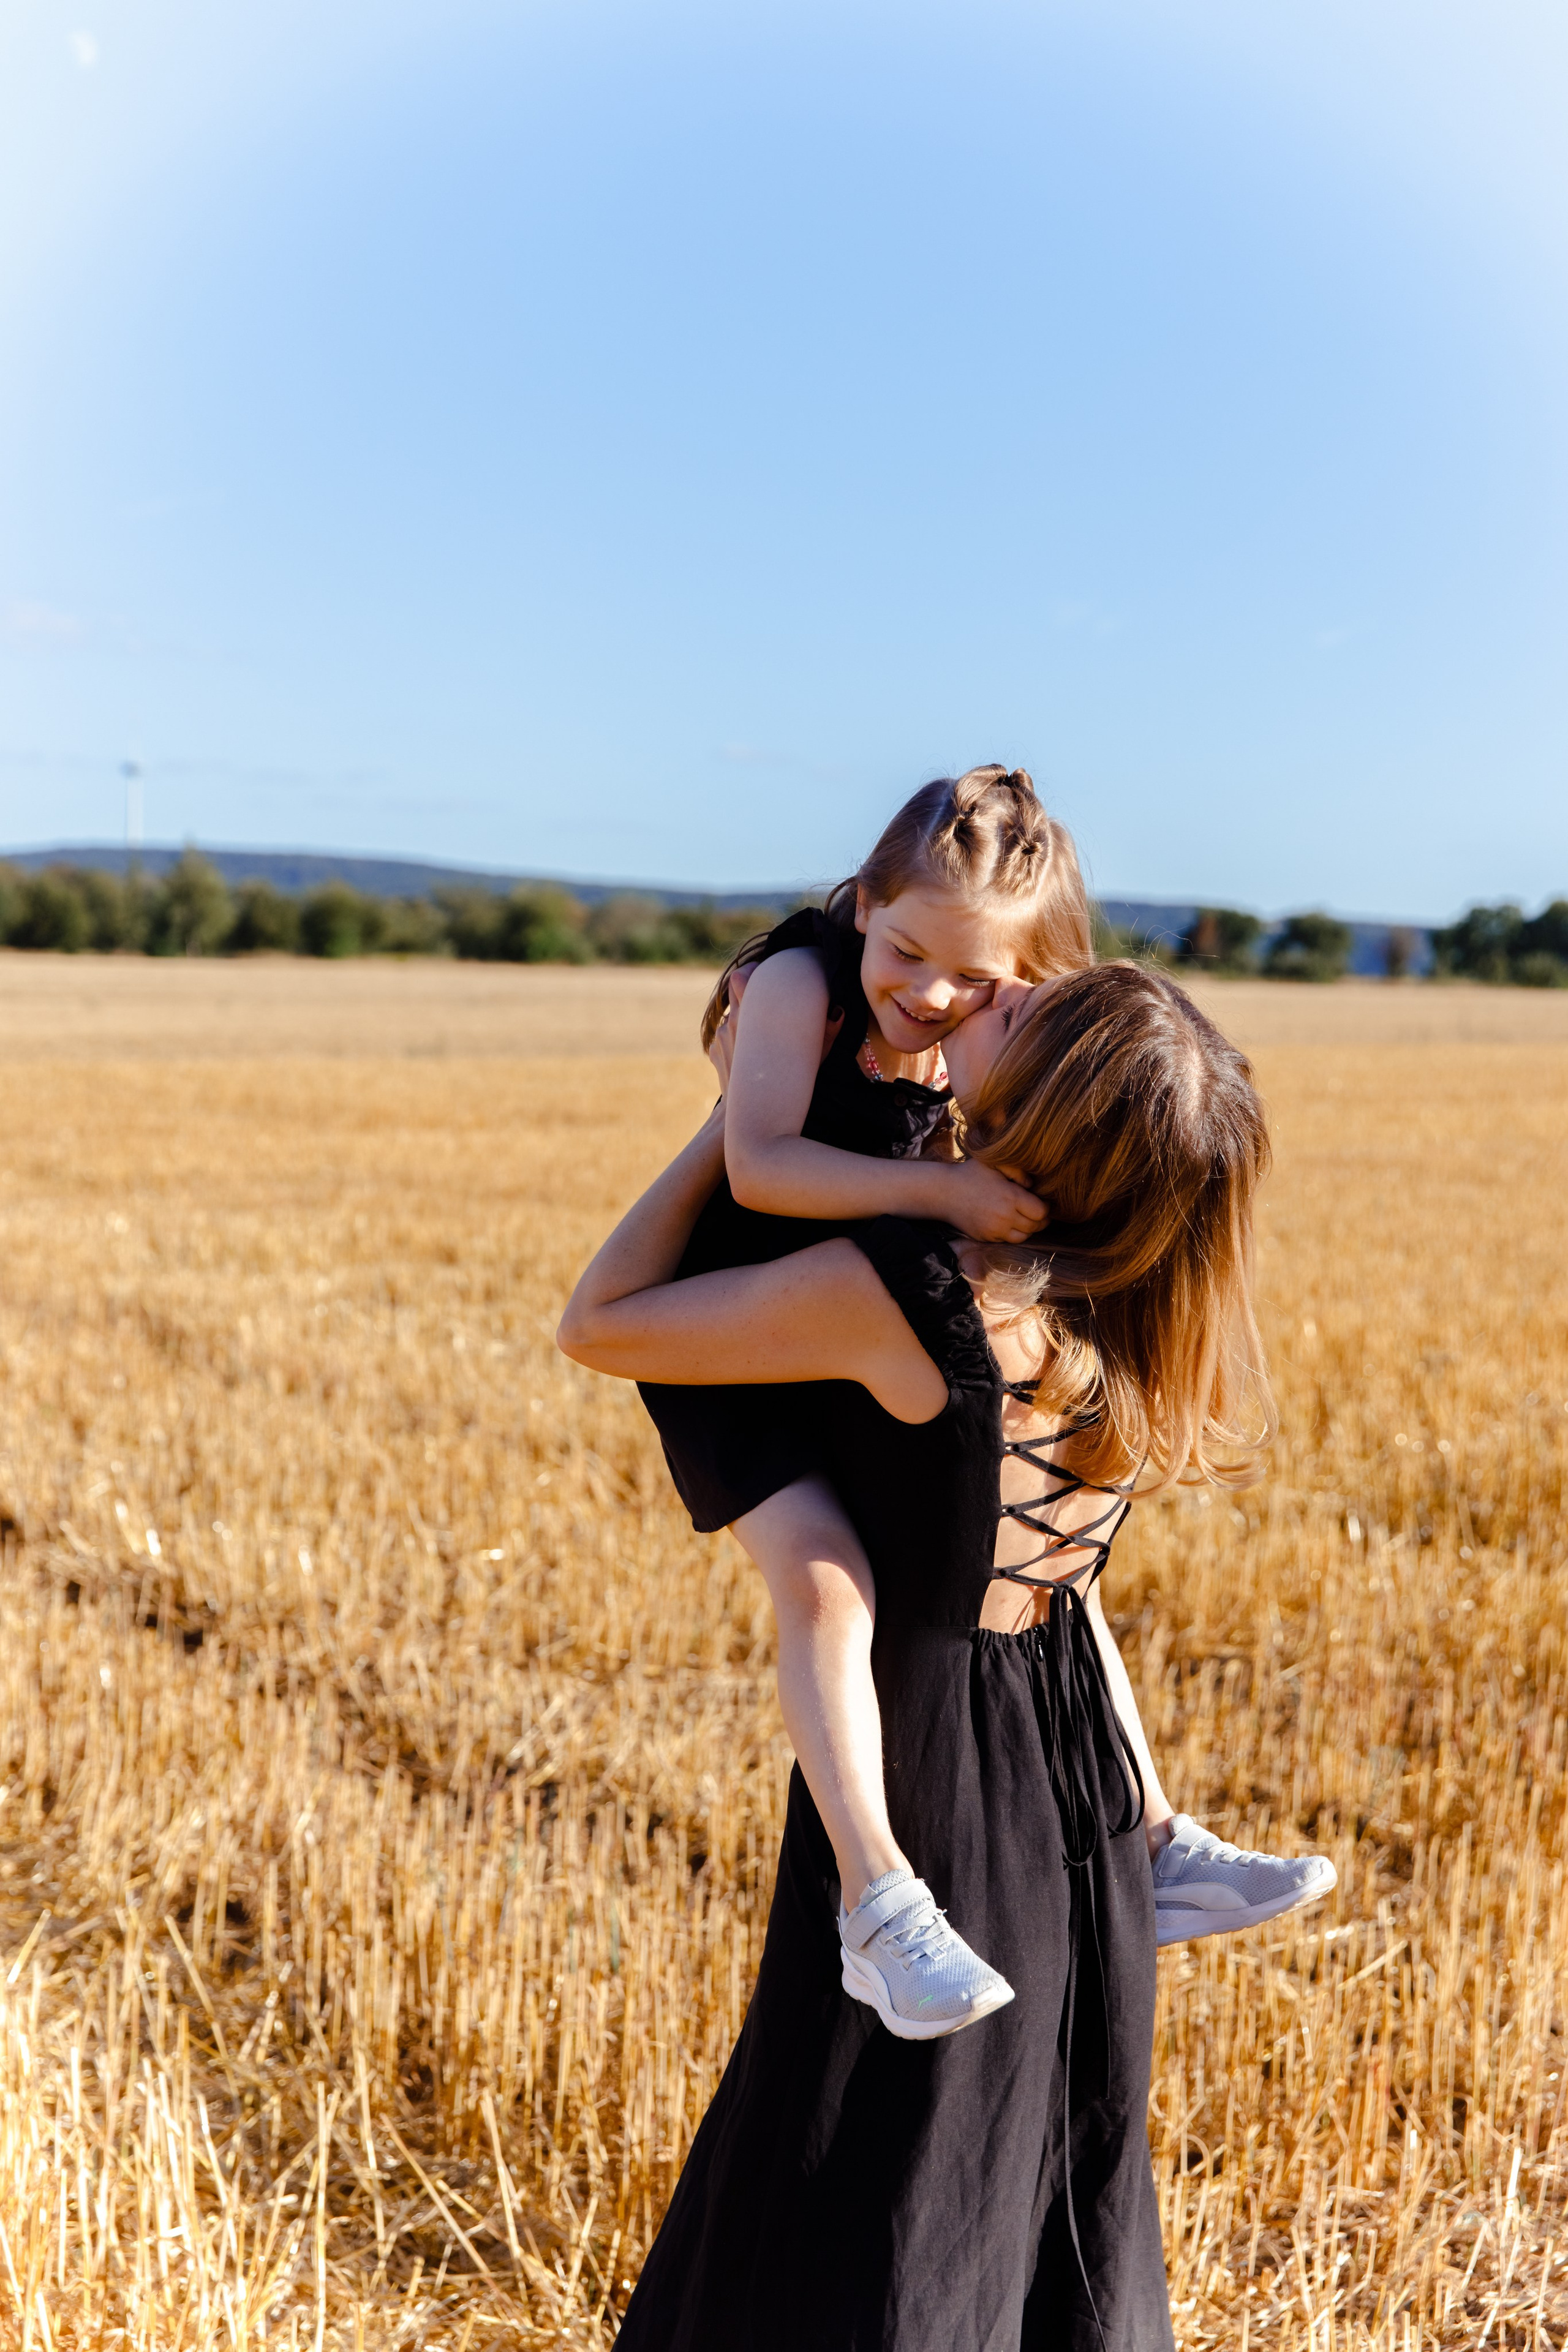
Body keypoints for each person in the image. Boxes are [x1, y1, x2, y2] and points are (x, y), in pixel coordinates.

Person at [557, 962, 1286, 2348]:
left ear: (1040, 1113)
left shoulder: (905, 1288)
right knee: (1029, 2177)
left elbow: (601, 1322)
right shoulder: (1122, 1293)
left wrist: (744, 1124)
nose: (1001, 983)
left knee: (867, 2190)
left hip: (924, 1771)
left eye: (1024, 1011)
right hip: (1079, 1785)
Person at [638, 769, 1333, 2040]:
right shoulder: (799, 986)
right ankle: (875, 1898)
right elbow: (760, 1166)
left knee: (1061, 1582)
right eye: (904, 952)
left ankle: (1158, 1832)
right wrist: (953, 1198)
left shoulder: (948, 1011)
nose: (929, 996)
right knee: (820, 1582)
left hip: (827, 1316)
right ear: (859, 904)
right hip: (736, 1303)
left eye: (980, 985)